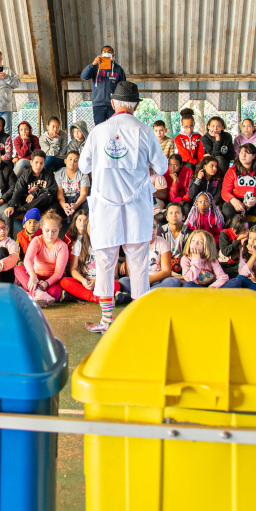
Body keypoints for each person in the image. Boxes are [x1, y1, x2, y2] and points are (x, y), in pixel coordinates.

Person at [78, 81, 169, 332]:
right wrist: (147, 168)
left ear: (113, 103)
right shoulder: (145, 131)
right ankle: (139, 321)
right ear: (136, 105)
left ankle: (107, 321)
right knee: (138, 261)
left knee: (105, 261)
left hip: (106, 207)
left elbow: (84, 167)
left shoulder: (98, 131)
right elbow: (162, 168)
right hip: (136, 208)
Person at [61, 212, 125, 303]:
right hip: (85, 282)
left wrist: (96, 282)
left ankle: (80, 296)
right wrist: (83, 280)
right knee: (65, 281)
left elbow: (113, 273)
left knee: (115, 285)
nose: (94, 230)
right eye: (91, 227)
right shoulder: (79, 243)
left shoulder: (109, 245)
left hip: (102, 281)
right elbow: (73, 270)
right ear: (87, 228)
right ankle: (95, 297)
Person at [14, 209, 69, 307]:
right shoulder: (37, 240)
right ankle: (39, 293)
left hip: (53, 279)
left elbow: (58, 273)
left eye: (54, 231)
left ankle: (29, 295)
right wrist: (32, 275)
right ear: (42, 228)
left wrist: (47, 283)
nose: (50, 234)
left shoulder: (62, 246)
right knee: (18, 269)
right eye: (47, 231)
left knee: (53, 295)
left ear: (59, 229)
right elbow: (28, 260)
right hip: (36, 276)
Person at [221, 143, 256, 221]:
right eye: (241, 152)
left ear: (254, 156)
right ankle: (231, 232)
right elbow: (225, 191)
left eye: (247, 153)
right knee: (227, 210)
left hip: (254, 200)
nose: (243, 155)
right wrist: (233, 200)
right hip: (237, 199)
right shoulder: (232, 170)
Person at [80, 46, 127, 125]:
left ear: (113, 55)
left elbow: (123, 87)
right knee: (99, 128)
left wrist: (120, 105)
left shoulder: (118, 69)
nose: (107, 53)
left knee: (113, 127)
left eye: (109, 51)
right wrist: (92, 64)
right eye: (104, 51)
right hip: (98, 104)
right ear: (101, 54)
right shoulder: (95, 68)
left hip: (113, 105)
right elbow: (84, 76)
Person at [8, 150, 57, 217]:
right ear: (31, 162)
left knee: (48, 195)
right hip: (27, 201)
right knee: (10, 211)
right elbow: (18, 190)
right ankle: (24, 208)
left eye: (41, 163)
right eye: (36, 162)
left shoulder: (48, 175)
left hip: (41, 203)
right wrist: (11, 205)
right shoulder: (25, 175)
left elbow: (52, 191)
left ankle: (24, 209)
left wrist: (34, 193)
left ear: (44, 163)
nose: (38, 165)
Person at [55, 150, 91, 221]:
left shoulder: (83, 175)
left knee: (86, 208)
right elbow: (60, 194)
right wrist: (63, 205)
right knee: (53, 208)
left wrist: (75, 205)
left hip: (78, 199)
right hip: (64, 199)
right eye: (70, 159)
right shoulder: (58, 174)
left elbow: (83, 194)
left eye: (75, 160)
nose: (72, 162)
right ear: (65, 161)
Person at [158, 203, 188, 276]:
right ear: (167, 217)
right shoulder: (160, 231)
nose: (174, 215)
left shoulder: (188, 233)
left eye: (177, 212)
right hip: (164, 268)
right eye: (171, 213)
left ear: (183, 217)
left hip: (183, 268)